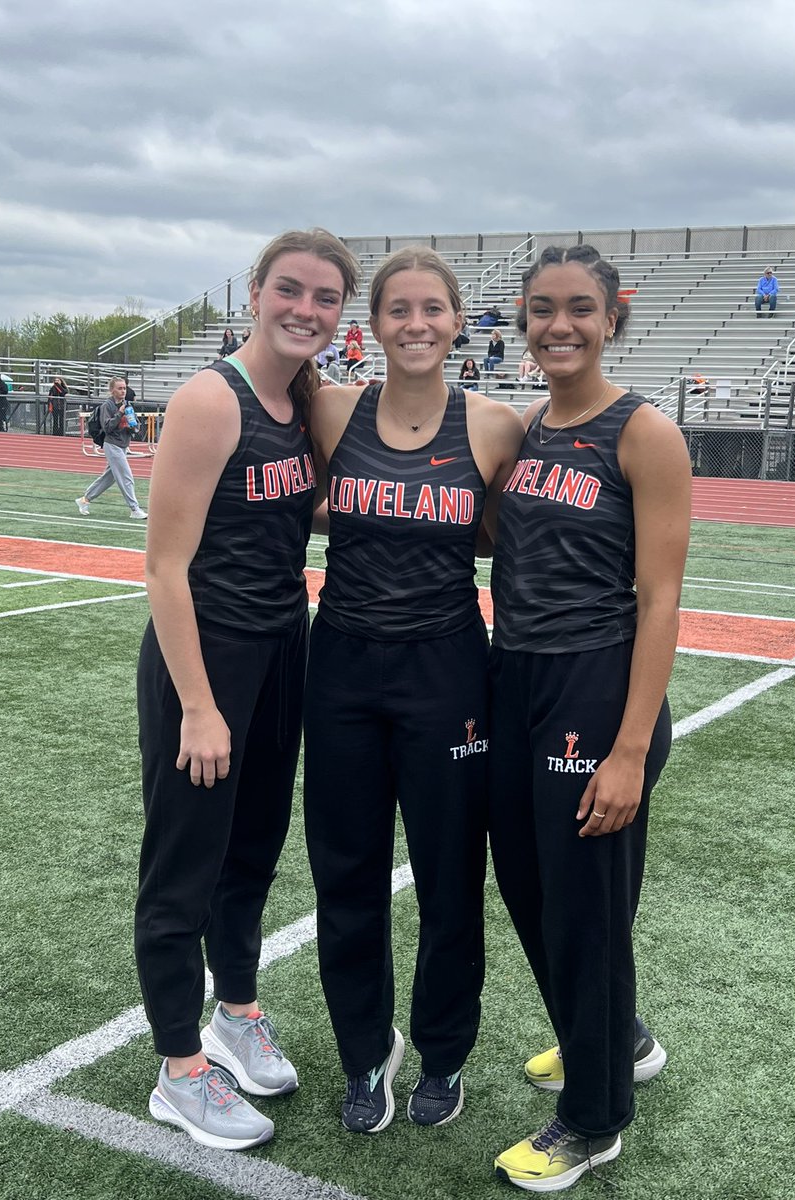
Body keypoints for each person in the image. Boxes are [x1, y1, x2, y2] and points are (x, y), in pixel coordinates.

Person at [134, 228, 361, 1152]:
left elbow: (290, 507)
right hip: (209, 658)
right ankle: (180, 1069)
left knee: (254, 849)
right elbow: (164, 566)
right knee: (184, 860)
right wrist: (197, 703)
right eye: (290, 290)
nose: (306, 309)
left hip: (281, 648)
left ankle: (236, 1010)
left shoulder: (300, 400)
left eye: (325, 297)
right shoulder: (208, 398)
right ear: (256, 292)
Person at [303, 246, 523, 1136]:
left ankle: (443, 1052)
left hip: (446, 671)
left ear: (458, 320)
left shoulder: (497, 426)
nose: (417, 324)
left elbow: (510, 538)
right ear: (375, 323)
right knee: (344, 871)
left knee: (447, 876)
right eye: (399, 309)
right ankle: (366, 1053)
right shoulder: (331, 409)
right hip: (343, 666)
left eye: (433, 309)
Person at [488, 244, 691, 1191]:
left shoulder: (644, 433)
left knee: (584, 909)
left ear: (613, 316)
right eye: (540, 309)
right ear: (521, 321)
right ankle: (614, 1038)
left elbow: (660, 600)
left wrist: (630, 748)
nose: (558, 326)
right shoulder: (528, 425)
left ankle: (595, 1116)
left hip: (595, 688)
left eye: (578, 309)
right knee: (531, 890)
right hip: (514, 679)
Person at [75, 378, 148, 518]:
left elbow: (136, 426)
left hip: (123, 445)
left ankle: (84, 500)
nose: (123, 391)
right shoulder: (107, 406)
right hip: (112, 444)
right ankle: (134, 509)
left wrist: (132, 426)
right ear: (112, 390)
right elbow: (107, 427)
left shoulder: (127, 405)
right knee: (126, 477)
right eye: (120, 388)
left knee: (109, 478)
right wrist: (120, 414)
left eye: (124, 388)